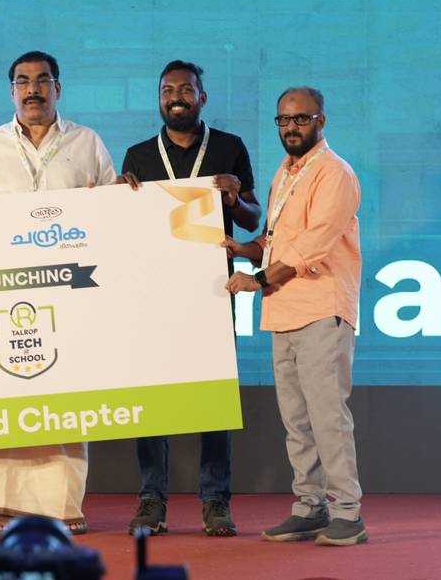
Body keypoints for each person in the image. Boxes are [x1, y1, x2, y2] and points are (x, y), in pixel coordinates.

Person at [0, 50, 116, 536]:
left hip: (71, 288)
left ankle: (64, 505)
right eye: (23, 81)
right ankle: (4, 505)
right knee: (7, 393)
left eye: (42, 80)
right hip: (7, 292)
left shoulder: (87, 142)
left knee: (68, 397)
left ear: (58, 88)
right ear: (11, 91)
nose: (33, 89)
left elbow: (114, 207)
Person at [118, 60, 261, 537]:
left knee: (212, 401)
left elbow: (252, 218)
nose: (176, 96)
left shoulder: (228, 147)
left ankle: (216, 501)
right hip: (152, 294)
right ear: (159, 98)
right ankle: (151, 500)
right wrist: (117, 199)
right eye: (167, 89)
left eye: (185, 89)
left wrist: (234, 197)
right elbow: (124, 227)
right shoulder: (139, 155)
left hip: (211, 292)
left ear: (202, 97)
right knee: (151, 398)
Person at [225, 86, 367, 546]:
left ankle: (348, 513)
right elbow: (274, 240)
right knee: (297, 422)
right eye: (284, 120)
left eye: (301, 119)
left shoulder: (335, 173)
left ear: (321, 121)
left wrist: (258, 278)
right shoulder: (285, 172)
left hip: (322, 309)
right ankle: (310, 507)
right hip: (282, 311)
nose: (291, 127)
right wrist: (242, 249)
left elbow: (312, 247)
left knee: (327, 418)